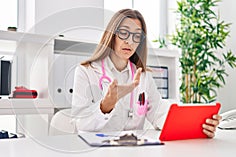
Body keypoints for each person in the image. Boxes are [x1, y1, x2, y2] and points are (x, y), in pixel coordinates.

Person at [71, 9, 221, 138]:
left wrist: (196, 125)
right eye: (124, 33)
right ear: (112, 35)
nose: (130, 41)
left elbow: (159, 113)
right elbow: (80, 124)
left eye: (136, 36)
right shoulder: (86, 71)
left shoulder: (143, 76)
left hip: (134, 150)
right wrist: (105, 106)